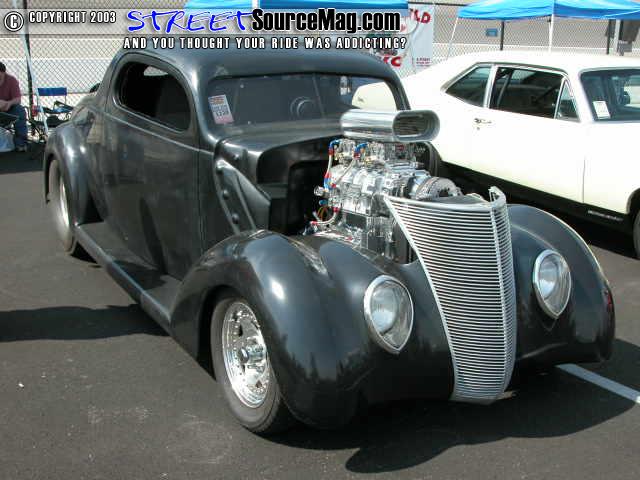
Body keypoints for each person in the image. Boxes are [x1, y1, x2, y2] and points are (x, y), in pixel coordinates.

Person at [0, 62, 27, 152]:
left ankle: (21, 143)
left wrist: (8, 103)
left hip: (8, 109)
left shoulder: (11, 80)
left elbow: (17, 99)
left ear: (4, 73)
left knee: (20, 110)